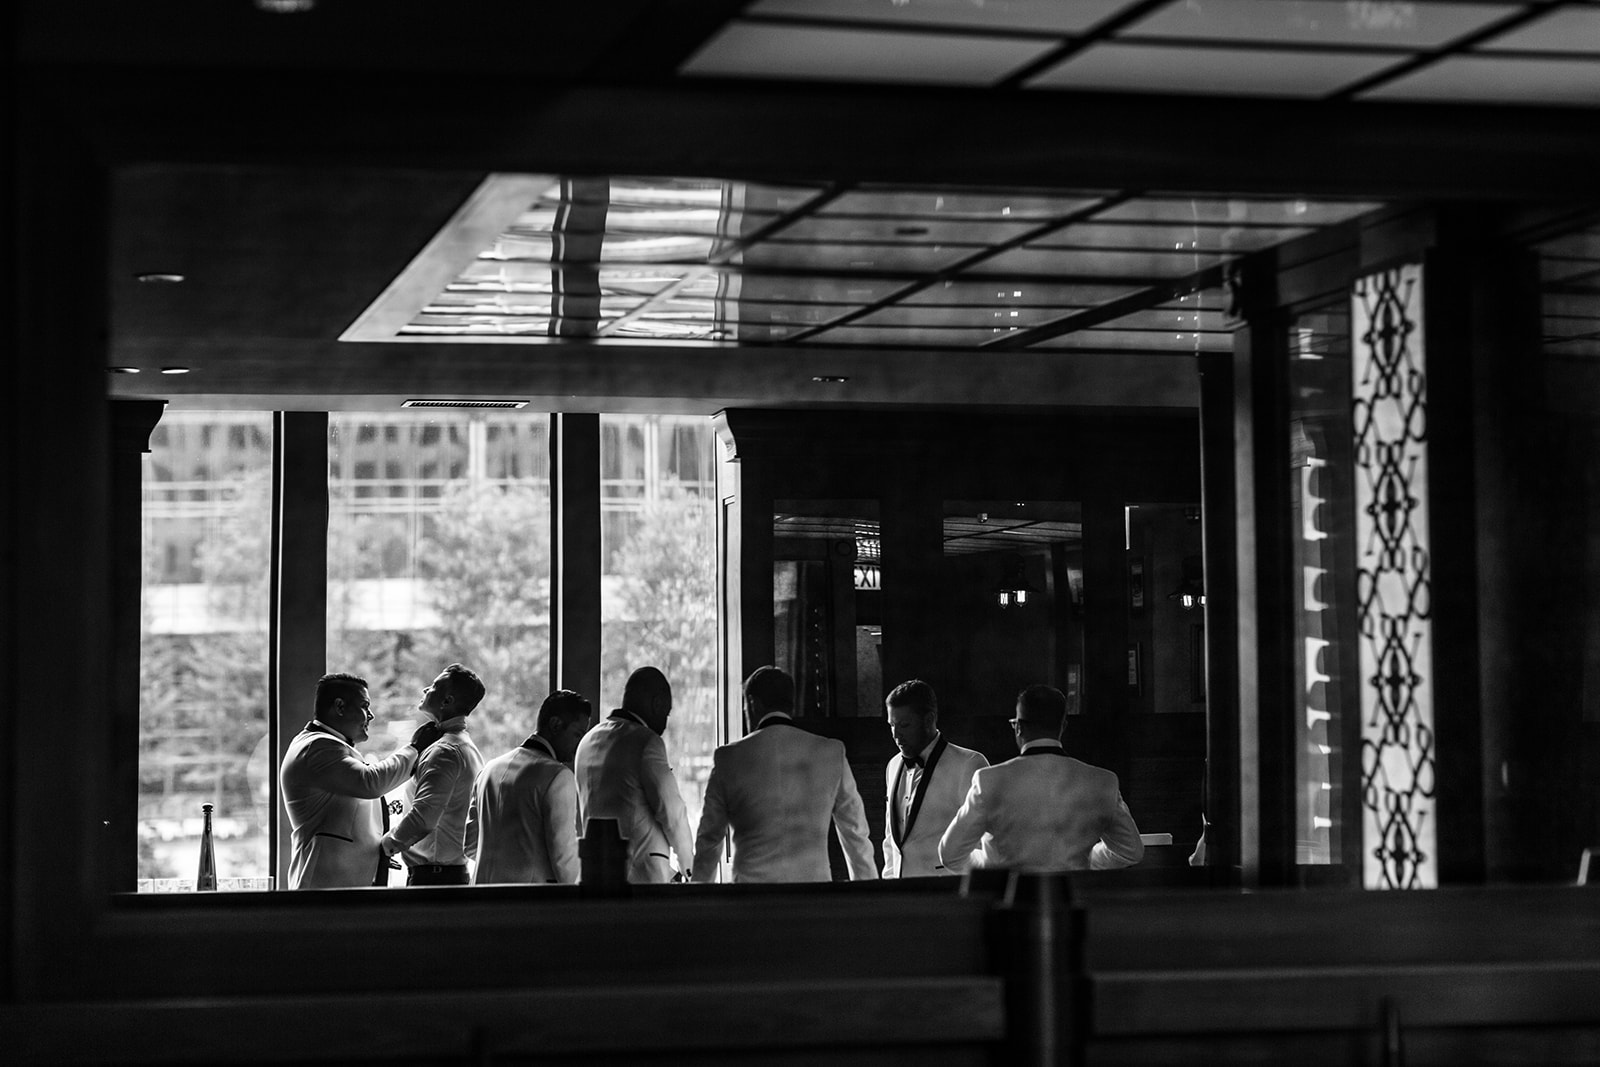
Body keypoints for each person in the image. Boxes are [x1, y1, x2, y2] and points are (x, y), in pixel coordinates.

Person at [691, 666, 877, 884]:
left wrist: (698, 894)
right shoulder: (830, 751)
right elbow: (855, 832)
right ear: (791, 703)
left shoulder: (729, 758)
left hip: (750, 900)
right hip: (813, 894)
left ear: (752, 703)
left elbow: (709, 839)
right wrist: (868, 891)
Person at [939, 684, 1144, 874]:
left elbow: (951, 856)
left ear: (1018, 727)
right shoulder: (1102, 782)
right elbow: (1130, 852)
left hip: (1010, 903)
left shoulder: (989, 781)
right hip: (1071, 902)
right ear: (1063, 726)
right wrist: (1087, 860)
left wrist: (994, 866)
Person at [280, 672, 443, 889]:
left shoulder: (326, 746)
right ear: (339, 707)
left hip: (340, 888)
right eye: (365, 706)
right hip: (324, 890)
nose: (371, 715)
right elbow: (370, 783)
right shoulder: (317, 748)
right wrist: (415, 747)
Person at [573, 666, 694, 883]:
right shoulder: (646, 742)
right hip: (643, 880)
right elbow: (672, 813)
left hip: (596, 877)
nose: (665, 724)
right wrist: (691, 870)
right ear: (656, 703)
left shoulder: (587, 742)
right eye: (666, 713)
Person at [466, 689, 591, 885]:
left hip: (481, 898)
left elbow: (470, 845)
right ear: (556, 724)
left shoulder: (489, 769)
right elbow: (565, 861)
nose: (580, 744)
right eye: (577, 734)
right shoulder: (558, 776)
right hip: (529, 905)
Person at [379, 663, 487, 886]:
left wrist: (386, 846)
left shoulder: (444, 752)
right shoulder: (466, 747)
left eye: (434, 686)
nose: (425, 690)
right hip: (447, 876)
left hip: (434, 881)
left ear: (447, 701)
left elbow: (422, 818)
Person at [880, 679, 988, 878]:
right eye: (892, 725)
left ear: (929, 719)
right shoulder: (893, 765)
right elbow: (890, 839)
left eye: (904, 725)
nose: (896, 735)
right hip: (899, 895)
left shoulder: (969, 764)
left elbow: (982, 842)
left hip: (946, 892)